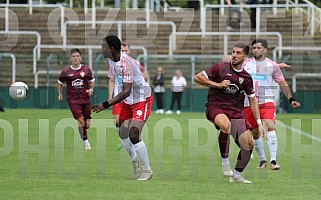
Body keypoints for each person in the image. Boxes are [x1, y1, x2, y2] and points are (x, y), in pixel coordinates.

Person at [194, 43, 264, 184]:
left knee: (248, 144)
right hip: (216, 106)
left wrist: (259, 123)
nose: (234, 55)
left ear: (245, 56)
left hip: (236, 111)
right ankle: (225, 162)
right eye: (233, 52)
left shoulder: (246, 77)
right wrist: (217, 85)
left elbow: (252, 101)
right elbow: (197, 78)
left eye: (238, 53)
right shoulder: (220, 68)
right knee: (226, 126)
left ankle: (237, 175)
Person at [92, 35, 153, 181]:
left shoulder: (127, 64)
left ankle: (147, 170)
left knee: (133, 133)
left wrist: (106, 104)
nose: (101, 49)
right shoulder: (112, 61)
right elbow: (117, 83)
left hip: (141, 99)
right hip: (126, 100)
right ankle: (134, 161)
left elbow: (127, 90)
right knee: (122, 132)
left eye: (103, 46)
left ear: (111, 49)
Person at [243, 39, 300, 170]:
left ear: (265, 50)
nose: (255, 50)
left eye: (258, 48)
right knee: (255, 133)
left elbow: (282, 83)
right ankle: (263, 159)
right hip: (249, 102)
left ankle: (274, 160)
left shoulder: (272, 65)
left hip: (266, 100)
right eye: (254, 48)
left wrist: (291, 99)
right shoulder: (246, 63)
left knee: (269, 124)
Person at [57, 48, 95, 150]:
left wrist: (91, 89)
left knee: (87, 124)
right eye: (73, 56)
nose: (75, 58)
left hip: (85, 99)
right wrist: (60, 94)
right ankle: (86, 142)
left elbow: (92, 81)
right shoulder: (66, 72)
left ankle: (83, 131)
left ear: (81, 57)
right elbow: (60, 84)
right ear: (70, 58)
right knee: (80, 120)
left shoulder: (86, 70)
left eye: (77, 56)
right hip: (73, 100)